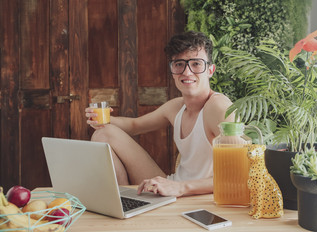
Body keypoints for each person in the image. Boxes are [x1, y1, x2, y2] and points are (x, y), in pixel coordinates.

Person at [85, 31, 234, 197]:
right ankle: (123, 199)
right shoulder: (176, 107)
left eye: (196, 64)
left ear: (210, 70)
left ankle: (126, 201)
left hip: (198, 195)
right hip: (174, 185)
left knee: (104, 133)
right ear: (172, 70)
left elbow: (238, 175)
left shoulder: (219, 108)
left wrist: (180, 188)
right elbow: (134, 126)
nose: (187, 72)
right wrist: (105, 119)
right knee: (103, 133)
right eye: (179, 64)